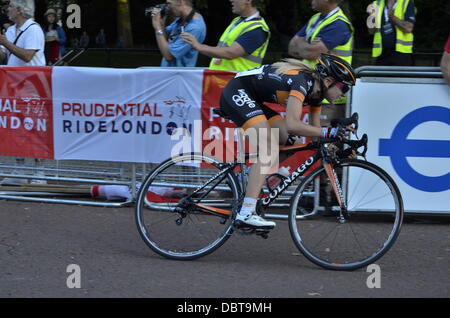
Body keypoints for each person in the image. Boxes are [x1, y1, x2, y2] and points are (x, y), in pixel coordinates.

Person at [219, 53, 356, 228]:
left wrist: (336, 149)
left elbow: (315, 136)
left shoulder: (317, 95)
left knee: (293, 142)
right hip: (236, 91)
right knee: (269, 147)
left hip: (252, 98)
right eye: (344, 88)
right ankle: (246, 212)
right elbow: (293, 124)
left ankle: (245, 178)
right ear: (328, 81)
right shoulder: (301, 83)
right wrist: (330, 131)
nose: (344, 94)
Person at [0, 0, 46, 185]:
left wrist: (5, 43)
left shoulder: (33, 29)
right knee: (15, 126)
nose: (7, 10)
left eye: (10, 7)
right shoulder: (11, 30)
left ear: (19, 10)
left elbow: (27, 55)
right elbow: (5, 55)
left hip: (33, 86)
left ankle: (39, 172)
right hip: (13, 85)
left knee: (35, 128)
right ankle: (19, 169)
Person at [288, 0, 354, 127]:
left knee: (326, 140)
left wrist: (304, 43)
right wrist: (309, 48)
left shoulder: (339, 24)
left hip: (329, 95)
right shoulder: (316, 19)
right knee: (311, 139)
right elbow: (291, 47)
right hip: (312, 91)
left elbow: (311, 53)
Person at [181, 0, 270, 71]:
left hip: (238, 83)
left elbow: (230, 53)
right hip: (223, 80)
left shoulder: (257, 29)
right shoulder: (237, 21)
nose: (231, 0)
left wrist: (199, 46)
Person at [150, 0, 206, 67]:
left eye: (169, 4)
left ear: (180, 2)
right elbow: (166, 38)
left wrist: (158, 28)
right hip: (170, 72)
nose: (167, 7)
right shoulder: (181, 19)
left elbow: (169, 56)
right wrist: (161, 25)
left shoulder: (194, 27)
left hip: (179, 74)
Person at [368, 0, 416, 66]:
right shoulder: (376, 3)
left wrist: (392, 17)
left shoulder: (406, 2)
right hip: (381, 54)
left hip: (402, 54)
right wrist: (372, 19)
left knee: (400, 76)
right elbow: (370, 31)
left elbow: (408, 28)